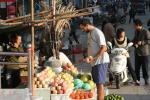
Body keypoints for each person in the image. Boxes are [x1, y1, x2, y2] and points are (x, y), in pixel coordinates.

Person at [79, 18, 109, 100]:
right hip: (95, 62)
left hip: (101, 61)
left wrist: (94, 58)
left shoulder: (97, 32)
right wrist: (86, 56)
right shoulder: (89, 33)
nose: (82, 30)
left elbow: (104, 48)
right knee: (97, 83)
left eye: (83, 28)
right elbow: (91, 47)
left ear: (87, 25)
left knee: (100, 84)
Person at [132, 19, 150, 85]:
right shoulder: (136, 31)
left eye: (134, 25)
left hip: (144, 53)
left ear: (138, 25)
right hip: (137, 52)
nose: (134, 27)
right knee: (137, 68)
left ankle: (146, 80)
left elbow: (149, 40)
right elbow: (135, 38)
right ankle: (137, 80)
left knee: (145, 68)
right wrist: (131, 42)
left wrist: (142, 42)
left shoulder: (146, 31)